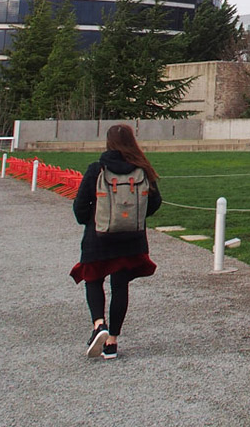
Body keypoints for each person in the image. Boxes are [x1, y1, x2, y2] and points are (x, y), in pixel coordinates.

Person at [70, 124, 162, 359]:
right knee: (120, 286)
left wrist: (90, 220)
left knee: (93, 279)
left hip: (99, 235)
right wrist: (133, 216)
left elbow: (80, 207)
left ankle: (98, 324)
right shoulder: (141, 169)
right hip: (130, 238)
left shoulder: (96, 169)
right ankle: (112, 342)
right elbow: (155, 202)